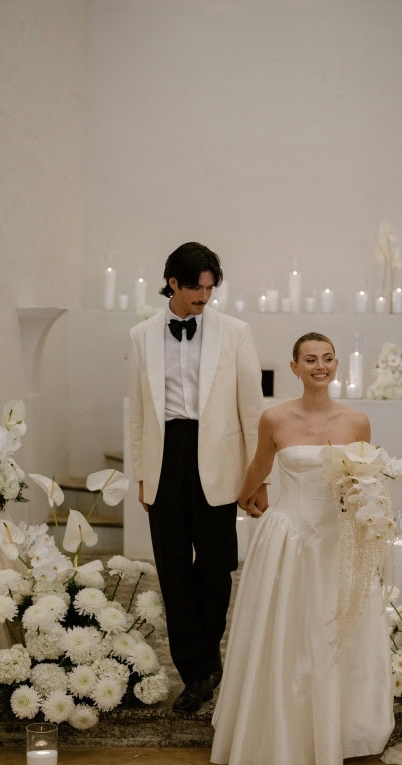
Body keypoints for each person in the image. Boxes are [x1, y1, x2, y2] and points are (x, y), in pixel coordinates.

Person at [210, 332, 394, 765]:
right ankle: (279, 734)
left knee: (333, 634)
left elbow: (363, 483)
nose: (320, 366)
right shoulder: (275, 418)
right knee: (286, 635)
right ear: (294, 367)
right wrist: (244, 496)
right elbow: (259, 466)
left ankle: (338, 731)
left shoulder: (357, 421)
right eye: (310, 359)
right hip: (288, 539)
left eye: (327, 359)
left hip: (336, 543)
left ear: (336, 366)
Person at [128, 242, 267, 714]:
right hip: (165, 458)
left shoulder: (236, 332)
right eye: (196, 287)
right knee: (172, 571)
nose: (205, 297)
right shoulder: (141, 334)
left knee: (215, 566)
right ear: (172, 281)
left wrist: (257, 478)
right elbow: (137, 415)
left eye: (211, 287)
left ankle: (209, 658)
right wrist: (142, 478)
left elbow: (252, 409)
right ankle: (194, 674)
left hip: (219, 461)